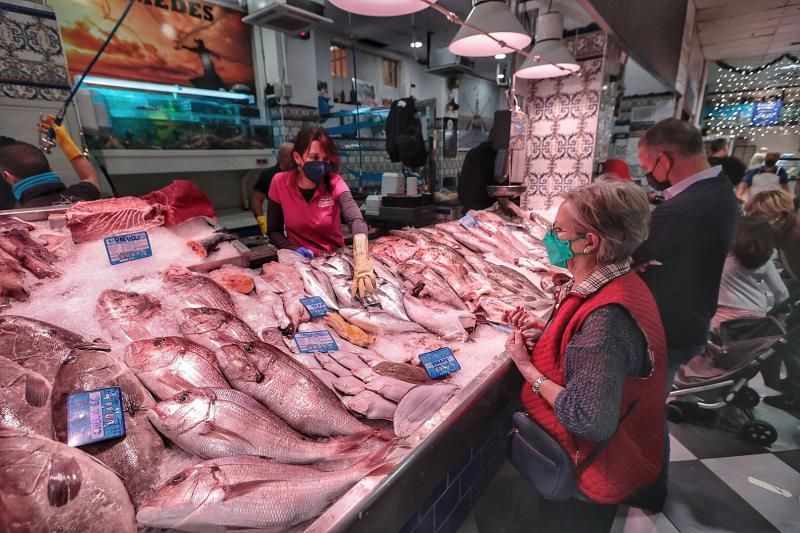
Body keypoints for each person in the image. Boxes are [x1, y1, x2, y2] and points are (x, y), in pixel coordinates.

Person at [503, 180, 666, 532]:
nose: (549, 236)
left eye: (558, 230)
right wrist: (548, 327)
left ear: (589, 242)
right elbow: (587, 353)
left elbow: (588, 418)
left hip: (589, 472)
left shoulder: (607, 318)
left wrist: (527, 367)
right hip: (595, 458)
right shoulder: (617, 281)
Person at [633, 118, 739, 389]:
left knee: (646, 411)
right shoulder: (719, 186)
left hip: (666, 328)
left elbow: (629, 256)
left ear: (665, 159)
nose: (649, 175)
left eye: (648, 167)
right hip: (691, 319)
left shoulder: (684, 209)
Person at [267, 127, 376, 298]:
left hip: (336, 262)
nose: (321, 165)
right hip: (300, 264)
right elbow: (273, 230)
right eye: (314, 158)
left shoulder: (334, 182)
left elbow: (356, 219)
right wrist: (293, 248)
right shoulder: (279, 183)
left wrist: (361, 258)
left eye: (325, 160)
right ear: (298, 158)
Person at [745, 190, 800, 412]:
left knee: (792, 341)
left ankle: (795, 394)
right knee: (785, 336)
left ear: (777, 215)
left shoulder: (795, 234)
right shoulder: (784, 232)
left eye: (759, 216)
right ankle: (793, 386)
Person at [0, 117, 101, 208]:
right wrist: (65, 141)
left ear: (8, 176)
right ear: (50, 169)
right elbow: (90, 177)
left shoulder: (17, 216)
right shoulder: (81, 195)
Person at [712, 217, 788, 331]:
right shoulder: (764, 260)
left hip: (726, 310)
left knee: (713, 343)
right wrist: (783, 312)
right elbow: (780, 291)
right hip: (757, 311)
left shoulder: (725, 254)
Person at [251, 142, 294, 237]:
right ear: (280, 158)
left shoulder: (301, 174)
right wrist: (262, 222)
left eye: (294, 156)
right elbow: (256, 200)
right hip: (278, 223)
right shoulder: (268, 175)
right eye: (287, 157)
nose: (292, 160)